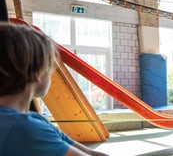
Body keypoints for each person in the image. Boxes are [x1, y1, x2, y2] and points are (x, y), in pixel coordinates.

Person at [0, 23, 108, 156]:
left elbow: (90, 153)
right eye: (50, 69)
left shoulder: (34, 120)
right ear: (37, 75)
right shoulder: (24, 128)